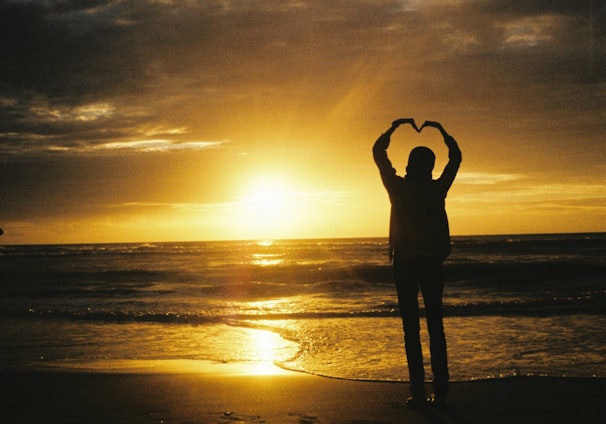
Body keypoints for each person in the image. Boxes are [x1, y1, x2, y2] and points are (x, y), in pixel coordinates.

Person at [372, 118, 461, 407]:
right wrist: (441, 130)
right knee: (436, 326)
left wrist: (395, 127)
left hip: (406, 264)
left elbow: (378, 152)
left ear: (409, 165)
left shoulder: (397, 188)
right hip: (432, 264)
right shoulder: (437, 189)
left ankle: (419, 392)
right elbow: (456, 158)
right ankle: (442, 391)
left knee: (411, 328)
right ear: (430, 167)